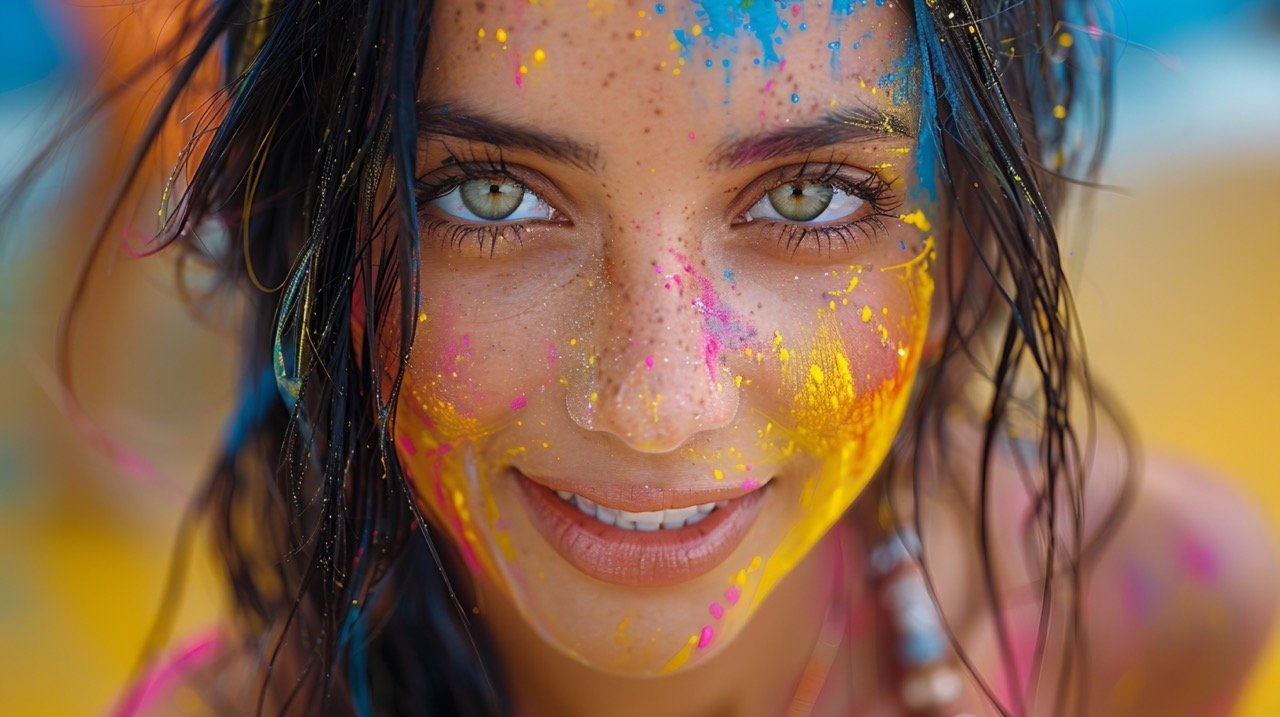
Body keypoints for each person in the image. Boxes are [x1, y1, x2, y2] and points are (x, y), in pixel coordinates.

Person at [11, 0, 1276, 715]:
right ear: (324, 244)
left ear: (967, 248)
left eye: (806, 200)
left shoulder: (1147, 608)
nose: (657, 402)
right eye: (492, 198)